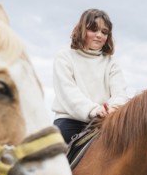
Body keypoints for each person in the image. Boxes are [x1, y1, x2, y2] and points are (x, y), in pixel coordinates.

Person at [52, 9, 128, 144]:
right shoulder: (64, 57)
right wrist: (95, 110)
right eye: (93, 30)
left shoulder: (111, 63)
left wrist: (114, 108)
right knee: (52, 154)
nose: (99, 35)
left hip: (104, 123)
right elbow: (68, 93)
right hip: (70, 122)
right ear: (82, 30)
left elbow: (120, 92)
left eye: (104, 32)